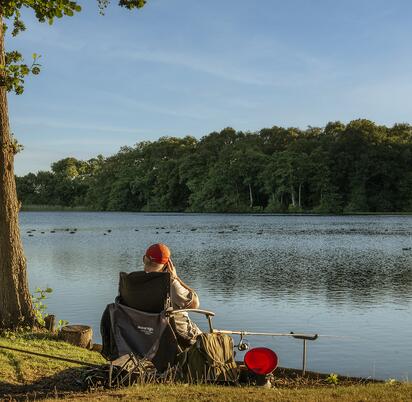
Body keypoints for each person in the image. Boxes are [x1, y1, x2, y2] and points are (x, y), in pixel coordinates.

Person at [143, 243, 202, 346]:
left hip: (147, 336)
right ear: (167, 264)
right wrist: (176, 278)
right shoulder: (173, 286)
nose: (146, 267)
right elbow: (195, 304)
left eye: (148, 262)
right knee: (215, 343)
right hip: (180, 336)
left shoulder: (137, 283)